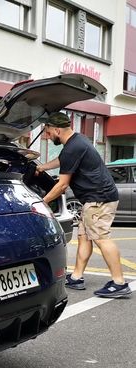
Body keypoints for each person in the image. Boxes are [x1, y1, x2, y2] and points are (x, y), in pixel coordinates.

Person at [36, 112, 131, 298]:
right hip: (94, 199)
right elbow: (63, 161)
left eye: (48, 132)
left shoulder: (73, 147)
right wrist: (42, 167)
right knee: (84, 237)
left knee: (101, 239)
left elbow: (62, 184)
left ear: (57, 130)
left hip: (99, 199)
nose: (48, 136)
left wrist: (42, 202)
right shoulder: (77, 141)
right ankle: (77, 277)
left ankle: (119, 282)